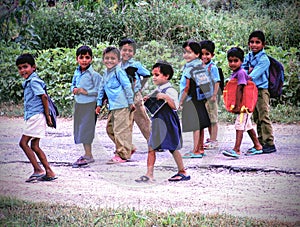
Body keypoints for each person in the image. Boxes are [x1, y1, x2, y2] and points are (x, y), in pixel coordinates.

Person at [135, 61, 190, 182]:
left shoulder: (170, 90)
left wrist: (166, 97)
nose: (154, 77)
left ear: (166, 76)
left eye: (157, 75)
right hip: (158, 121)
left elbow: (175, 106)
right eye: (153, 75)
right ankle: (149, 174)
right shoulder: (158, 89)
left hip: (168, 121)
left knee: (173, 147)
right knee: (151, 146)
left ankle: (182, 171)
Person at [16, 53, 57, 182]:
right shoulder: (30, 81)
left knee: (23, 143)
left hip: (36, 116)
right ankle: (49, 172)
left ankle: (38, 170)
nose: (23, 70)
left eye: (25, 67)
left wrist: (47, 115)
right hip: (35, 116)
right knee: (34, 146)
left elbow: (43, 96)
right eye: (20, 68)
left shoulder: (33, 81)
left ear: (33, 67)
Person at [95, 46, 135, 164]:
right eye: (107, 58)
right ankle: (129, 147)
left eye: (113, 58)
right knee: (110, 129)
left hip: (122, 105)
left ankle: (122, 155)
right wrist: (99, 104)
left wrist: (130, 101)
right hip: (113, 107)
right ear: (103, 60)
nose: (109, 61)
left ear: (118, 60)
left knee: (120, 130)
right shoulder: (106, 74)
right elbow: (101, 89)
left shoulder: (119, 72)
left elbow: (127, 86)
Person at [222, 47, 263, 158]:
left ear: (242, 61)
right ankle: (258, 146)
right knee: (248, 125)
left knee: (239, 124)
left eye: (236, 61)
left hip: (243, 105)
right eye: (230, 61)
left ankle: (236, 149)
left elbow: (241, 88)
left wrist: (237, 104)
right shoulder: (236, 72)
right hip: (243, 105)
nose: (233, 63)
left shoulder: (240, 73)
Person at [242, 30, 277, 154]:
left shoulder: (264, 59)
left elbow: (252, 75)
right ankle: (261, 142)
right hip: (252, 90)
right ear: (248, 43)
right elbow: (242, 69)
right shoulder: (248, 56)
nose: (254, 45)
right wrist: (247, 71)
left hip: (262, 90)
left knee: (264, 116)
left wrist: (248, 71)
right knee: (256, 117)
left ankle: (269, 143)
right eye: (252, 42)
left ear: (263, 44)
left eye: (257, 42)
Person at [119, 38, 151, 154]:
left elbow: (147, 74)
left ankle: (153, 143)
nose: (127, 53)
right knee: (125, 123)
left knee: (143, 120)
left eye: (130, 50)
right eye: (124, 50)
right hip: (122, 98)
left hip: (135, 96)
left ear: (134, 52)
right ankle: (126, 147)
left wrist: (140, 87)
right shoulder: (117, 65)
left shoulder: (136, 65)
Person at [179, 40, 211, 158]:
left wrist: (181, 101)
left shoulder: (189, 68)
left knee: (195, 126)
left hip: (191, 99)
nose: (186, 55)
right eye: (185, 52)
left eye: (189, 52)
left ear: (197, 54)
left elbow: (186, 87)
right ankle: (200, 148)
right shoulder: (200, 65)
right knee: (201, 124)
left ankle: (195, 150)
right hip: (200, 98)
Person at [71, 45, 101, 168]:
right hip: (79, 104)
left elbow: (100, 90)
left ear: (91, 59)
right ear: (77, 59)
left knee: (86, 129)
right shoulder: (77, 72)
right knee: (79, 128)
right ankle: (86, 153)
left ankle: (89, 155)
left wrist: (86, 92)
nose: (84, 60)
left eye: (87, 57)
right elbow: (72, 84)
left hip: (90, 105)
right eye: (81, 57)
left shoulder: (94, 75)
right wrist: (73, 89)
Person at [199, 40, 220, 150]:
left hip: (210, 97)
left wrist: (214, 95)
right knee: (207, 119)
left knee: (213, 119)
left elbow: (217, 81)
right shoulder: (200, 66)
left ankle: (214, 140)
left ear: (212, 55)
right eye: (202, 54)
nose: (204, 56)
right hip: (202, 97)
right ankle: (211, 138)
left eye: (207, 54)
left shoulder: (212, 67)